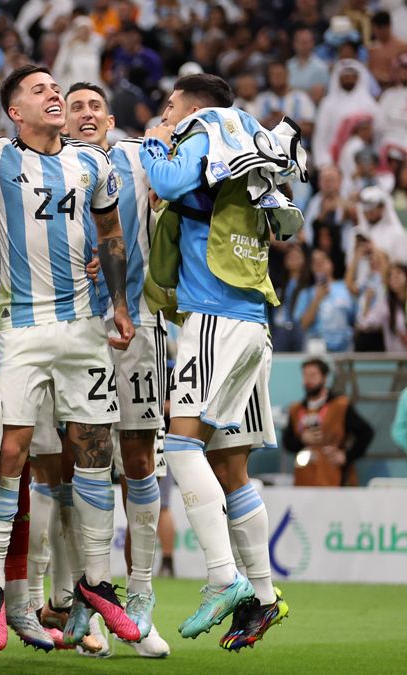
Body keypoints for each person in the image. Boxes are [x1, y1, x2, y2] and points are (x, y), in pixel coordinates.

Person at [0, 61, 138, 648]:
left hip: (82, 329)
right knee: (10, 454)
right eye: (40, 90)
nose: (55, 95)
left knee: (94, 451)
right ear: (15, 111)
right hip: (17, 332)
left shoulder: (92, 162)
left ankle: (97, 581)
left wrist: (118, 301)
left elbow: (112, 233)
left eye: (57, 88)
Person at [141, 73, 287, 650]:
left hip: (215, 318)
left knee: (180, 446)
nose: (167, 113)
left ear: (193, 105)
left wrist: (155, 140)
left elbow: (171, 179)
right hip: (252, 321)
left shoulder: (207, 128)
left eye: (169, 104)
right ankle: (266, 598)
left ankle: (223, 578)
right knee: (232, 466)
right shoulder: (251, 141)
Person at [65, 80, 170, 658]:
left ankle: (142, 597)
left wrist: (160, 134)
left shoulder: (136, 155)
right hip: (73, 333)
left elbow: (173, 142)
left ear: (110, 119)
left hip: (137, 329)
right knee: (83, 464)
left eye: (93, 107)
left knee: (137, 461)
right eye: (74, 106)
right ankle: (88, 597)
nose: (84, 114)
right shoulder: (48, 166)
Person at [282, 357, 373, 487]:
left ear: (324, 378)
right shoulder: (296, 409)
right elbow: (287, 442)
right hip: (304, 477)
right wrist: (302, 439)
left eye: (313, 375)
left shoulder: (340, 405)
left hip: (335, 476)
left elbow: (366, 433)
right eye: (305, 375)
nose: (308, 380)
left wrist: (346, 456)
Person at [295, 248, 356, 352]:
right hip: (317, 348)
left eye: (322, 261)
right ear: (311, 268)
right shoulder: (306, 293)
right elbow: (303, 325)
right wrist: (317, 299)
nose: (319, 265)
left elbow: (356, 319)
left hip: (344, 348)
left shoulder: (345, 288)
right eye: (315, 263)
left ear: (331, 263)